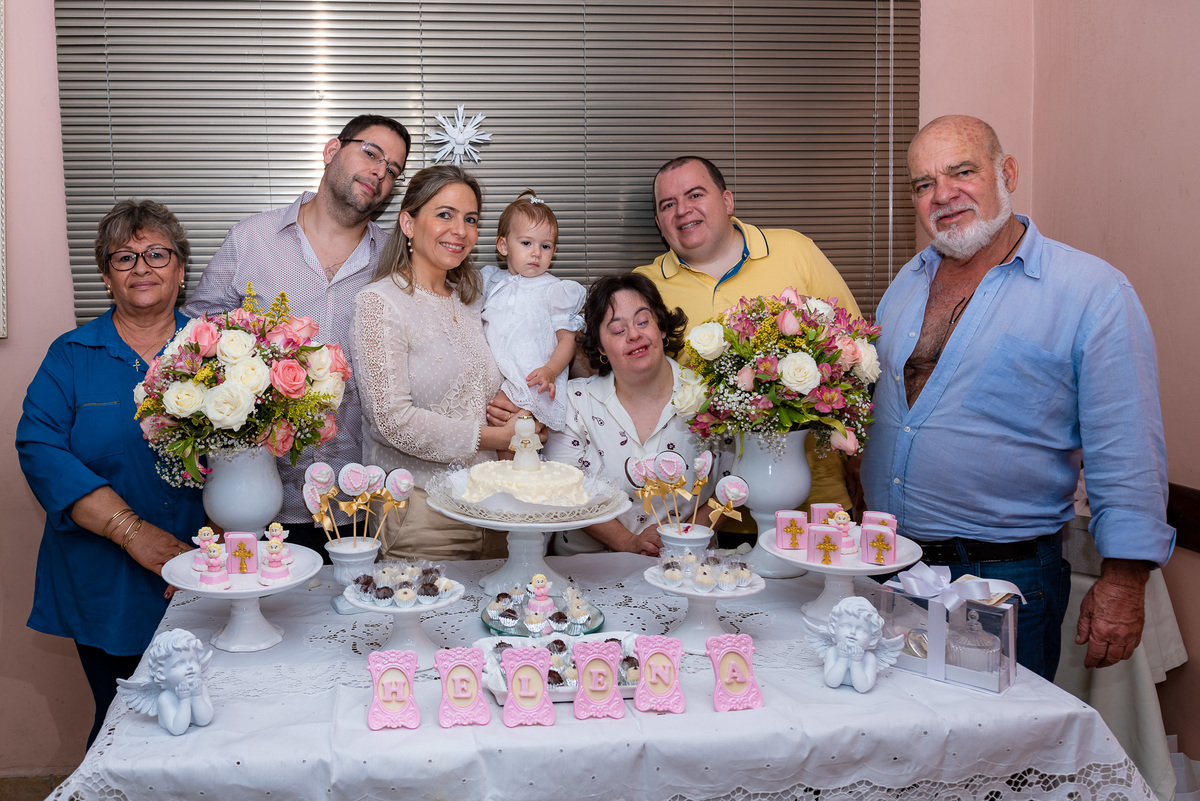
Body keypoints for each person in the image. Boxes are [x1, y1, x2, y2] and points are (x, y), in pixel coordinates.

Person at [860, 115, 1174, 679]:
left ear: (1006, 172)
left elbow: (1127, 447)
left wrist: (1126, 582)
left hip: (1003, 583)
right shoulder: (908, 282)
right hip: (891, 568)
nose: (943, 196)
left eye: (962, 172)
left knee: (996, 757)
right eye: (923, 184)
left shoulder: (1090, 291)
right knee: (900, 753)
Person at [17, 199, 205, 748]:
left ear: (180, 267)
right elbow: (39, 449)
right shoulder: (71, 356)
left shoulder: (219, 352)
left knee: (211, 719)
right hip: (103, 580)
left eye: (156, 254)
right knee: (124, 724)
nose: (141, 268)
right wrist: (132, 531)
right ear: (105, 275)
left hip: (203, 573)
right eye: (124, 257)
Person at [182, 114, 410, 558]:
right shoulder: (251, 240)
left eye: (394, 170)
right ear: (331, 151)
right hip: (256, 502)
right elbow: (195, 345)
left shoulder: (396, 261)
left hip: (360, 505)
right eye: (371, 153)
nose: (381, 172)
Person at [633, 156, 862, 516]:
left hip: (813, 504)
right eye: (668, 205)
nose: (682, 211)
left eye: (695, 195)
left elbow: (855, 352)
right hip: (701, 512)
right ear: (660, 224)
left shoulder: (795, 250)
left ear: (726, 201)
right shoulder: (644, 287)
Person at [352, 165, 532, 561]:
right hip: (421, 515)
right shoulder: (380, 303)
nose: (460, 230)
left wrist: (521, 415)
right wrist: (493, 437)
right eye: (445, 214)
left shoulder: (476, 300)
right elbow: (391, 420)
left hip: (498, 510)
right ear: (408, 223)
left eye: (470, 219)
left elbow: (508, 375)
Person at [542, 274, 730, 556]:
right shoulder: (573, 402)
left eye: (643, 322)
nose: (633, 335)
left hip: (690, 566)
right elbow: (566, 490)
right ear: (601, 348)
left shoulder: (711, 397)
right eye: (618, 330)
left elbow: (731, 485)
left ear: (662, 328)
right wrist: (628, 542)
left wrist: (682, 539)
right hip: (588, 574)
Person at [480, 190, 585, 432]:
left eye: (545, 246)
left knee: (513, 434)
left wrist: (551, 370)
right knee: (499, 432)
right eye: (527, 243)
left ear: (554, 251)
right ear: (503, 245)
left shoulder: (555, 290)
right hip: (497, 377)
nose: (536, 252)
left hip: (534, 380)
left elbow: (567, 341)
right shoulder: (491, 282)